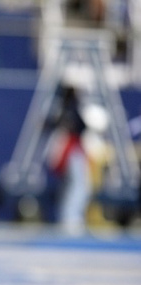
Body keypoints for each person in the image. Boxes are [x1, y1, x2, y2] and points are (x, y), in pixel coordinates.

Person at [46, 83, 92, 236]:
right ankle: (70, 218)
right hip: (70, 150)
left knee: (73, 186)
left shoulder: (65, 110)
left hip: (70, 149)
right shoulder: (67, 110)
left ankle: (68, 217)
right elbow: (79, 127)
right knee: (79, 185)